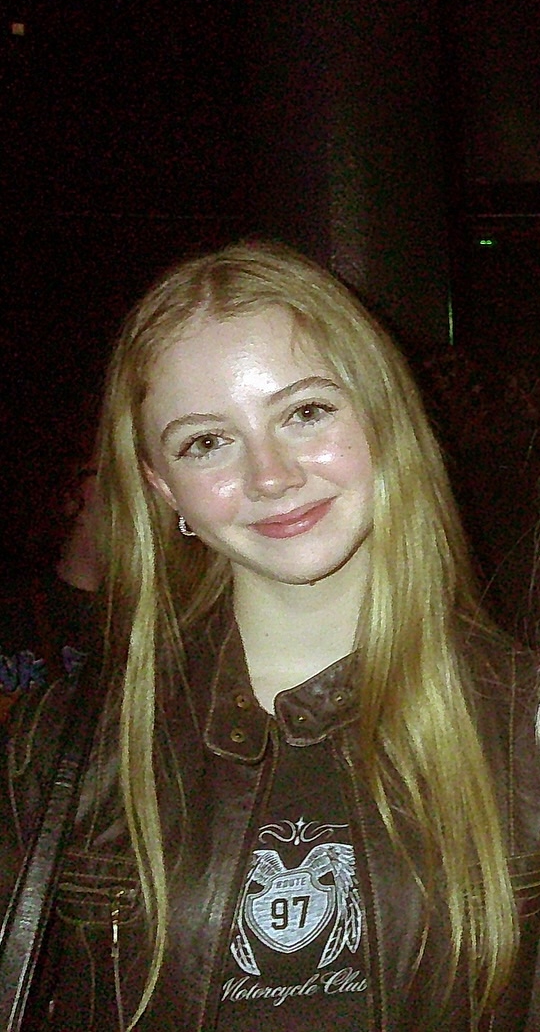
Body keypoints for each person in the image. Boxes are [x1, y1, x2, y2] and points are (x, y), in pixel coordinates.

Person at [1, 240, 540, 1031]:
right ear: (163, 487)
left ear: (382, 412)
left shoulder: (525, 724)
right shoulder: (58, 749)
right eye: (206, 441)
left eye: (306, 412)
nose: (271, 475)